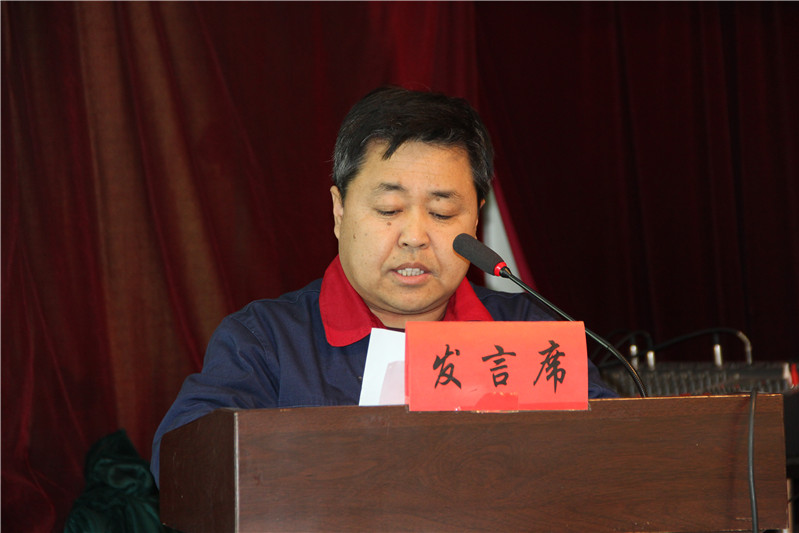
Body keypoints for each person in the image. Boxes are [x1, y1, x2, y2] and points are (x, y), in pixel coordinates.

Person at [150, 86, 616, 485]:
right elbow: (183, 463)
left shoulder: (530, 335)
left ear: (476, 218)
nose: (415, 236)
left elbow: (619, 457)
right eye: (389, 210)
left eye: (442, 213)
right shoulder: (267, 342)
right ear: (339, 211)